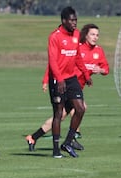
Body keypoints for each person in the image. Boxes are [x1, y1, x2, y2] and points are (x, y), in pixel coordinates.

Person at [26, 23, 109, 152]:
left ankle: (33, 137)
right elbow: (54, 62)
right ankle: (70, 140)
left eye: (97, 35)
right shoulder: (77, 47)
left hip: (77, 88)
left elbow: (106, 69)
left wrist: (100, 70)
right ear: (85, 35)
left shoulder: (99, 51)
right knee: (79, 108)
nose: (95, 37)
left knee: (61, 116)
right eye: (92, 34)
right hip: (66, 85)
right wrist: (45, 80)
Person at [42, 6, 92, 158]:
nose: (74, 23)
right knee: (58, 113)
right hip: (57, 79)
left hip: (71, 78)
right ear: (64, 21)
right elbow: (53, 61)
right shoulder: (54, 37)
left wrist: (85, 73)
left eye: (76, 20)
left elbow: (77, 57)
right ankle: (56, 149)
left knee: (80, 108)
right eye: (71, 20)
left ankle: (68, 142)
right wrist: (59, 79)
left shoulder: (76, 35)